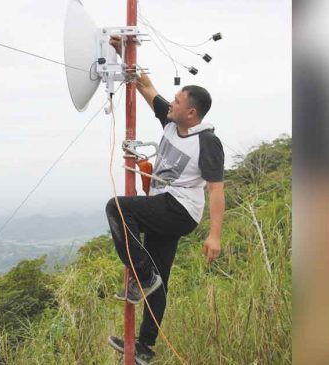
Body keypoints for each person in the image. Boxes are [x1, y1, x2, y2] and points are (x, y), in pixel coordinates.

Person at [105, 36, 226, 364]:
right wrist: (126, 51)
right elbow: (146, 87)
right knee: (160, 279)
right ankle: (144, 347)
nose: (169, 103)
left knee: (116, 207)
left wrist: (215, 235)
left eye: (176, 101)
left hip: (181, 210)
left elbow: (216, 190)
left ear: (192, 112)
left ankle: (141, 275)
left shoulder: (208, 142)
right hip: (164, 205)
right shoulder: (172, 122)